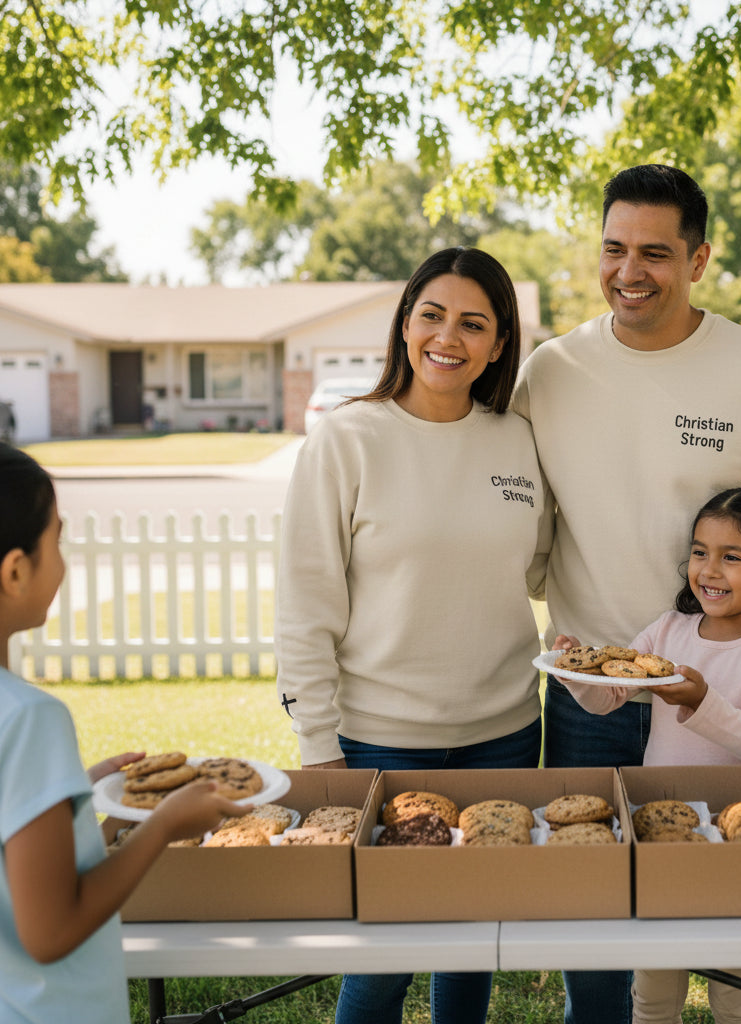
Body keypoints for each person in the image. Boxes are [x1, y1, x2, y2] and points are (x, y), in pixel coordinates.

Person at [512, 163, 741, 1024]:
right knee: (594, 922)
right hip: (594, 695)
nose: (630, 271)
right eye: (614, 248)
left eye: (656, 253)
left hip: (728, 688)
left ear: (698, 258)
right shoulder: (550, 372)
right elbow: (518, 517)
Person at [274, 246, 552, 1024]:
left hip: (502, 733)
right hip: (378, 743)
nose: (448, 337)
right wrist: (319, 747)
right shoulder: (348, 439)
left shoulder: (515, 441)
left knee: (472, 946)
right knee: (385, 957)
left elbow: (535, 568)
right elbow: (305, 605)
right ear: (403, 326)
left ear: (499, 345)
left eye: (473, 323)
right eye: (431, 315)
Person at [554, 487, 741, 1024]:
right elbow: (607, 697)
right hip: (660, 836)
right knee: (654, 997)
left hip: (740, 846)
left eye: (732, 557)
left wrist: (701, 701)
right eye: (700, 551)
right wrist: (577, 672)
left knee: (737, 1000)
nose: (709, 569)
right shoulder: (669, 630)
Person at [0, 446, 249, 1024]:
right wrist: (163, 826)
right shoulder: (30, 719)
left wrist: (68, 793)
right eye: (56, 541)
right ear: (15, 570)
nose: (64, 561)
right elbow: (52, 929)